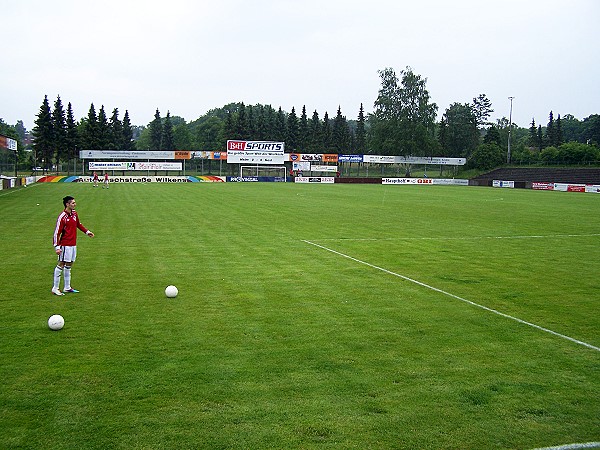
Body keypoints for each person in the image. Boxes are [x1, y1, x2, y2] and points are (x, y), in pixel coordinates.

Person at [52, 196, 94, 295]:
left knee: (69, 264)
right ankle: (55, 287)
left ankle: (67, 287)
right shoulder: (62, 216)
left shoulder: (74, 213)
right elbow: (56, 233)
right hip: (65, 244)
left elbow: (78, 224)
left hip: (73, 244)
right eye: (73, 203)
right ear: (67, 204)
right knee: (61, 264)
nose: (75, 204)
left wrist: (87, 232)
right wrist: (57, 247)